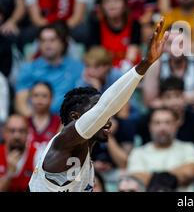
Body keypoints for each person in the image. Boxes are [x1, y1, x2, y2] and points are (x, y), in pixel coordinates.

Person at [27, 18, 168, 192]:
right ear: (76, 117)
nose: (107, 120)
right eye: (98, 111)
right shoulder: (63, 143)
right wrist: (144, 64)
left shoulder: (84, 152)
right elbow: (107, 106)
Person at [137, 76, 194, 161]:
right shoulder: (150, 120)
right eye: (168, 97)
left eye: (177, 96)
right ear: (161, 100)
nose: (174, 102)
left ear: (184, 97)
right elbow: (144, 151)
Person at [15, 23, 84, 116]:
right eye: (43, 41)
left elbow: (82, 101)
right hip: (37, 122)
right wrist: (40, 124)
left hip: (67, 123)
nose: (47, 44)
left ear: (62, 43)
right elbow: (21, 104)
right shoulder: (28, 68)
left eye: (52, 40)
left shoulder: (77, 67)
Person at [127, 107, 194, 192]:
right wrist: (173, 177)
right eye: (157, 123)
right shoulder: (138, 153)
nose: (162, 128)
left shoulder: (188, 148)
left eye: (168, 122)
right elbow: (137, 180)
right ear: (150, 126)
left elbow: (189, 173)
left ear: (176, 125)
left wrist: (152, 179)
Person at [143, 30, 194, 108]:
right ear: (163, 46)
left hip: (193, 113)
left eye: (180, 43)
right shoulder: (156, 65)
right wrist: (182, 98)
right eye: (170, 43)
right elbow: (149, 103)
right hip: (164, 114)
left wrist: (168, 99)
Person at [88, 0, 141, 71]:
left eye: (117, 0)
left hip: (129, 72)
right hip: (105, 74)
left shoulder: (134, 24)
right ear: (102, 5)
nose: (112, 4)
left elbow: (133, 54)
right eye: (107, 1)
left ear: (124, 3)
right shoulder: (96, 25)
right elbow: (95, 57)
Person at [0, 115, 38, 192]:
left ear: (28, 133)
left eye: (21, 131)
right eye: (12, 131)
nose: (17, 136)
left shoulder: (37, 154)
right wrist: (9, 173)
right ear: (4, 133)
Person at [28, 82, 61, 150]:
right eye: (36, 95)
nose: (40, 99)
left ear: (51, 98)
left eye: (44, 96)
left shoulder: (59, 123)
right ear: (30, 98)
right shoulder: (24, 122)